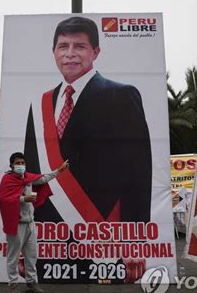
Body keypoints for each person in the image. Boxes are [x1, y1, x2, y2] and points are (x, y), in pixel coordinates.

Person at [25, 16, 152, 224]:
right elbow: (31, 171)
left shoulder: (121, 96)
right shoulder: (41, 104)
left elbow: (138, 172)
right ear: (54, 52)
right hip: (46, 228)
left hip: (100, 229)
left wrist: (134, 237)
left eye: (80, 46)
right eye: (63, 46)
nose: (70, 54)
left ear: (95, 52)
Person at [0, 152, 68, 293]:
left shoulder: (28, 178)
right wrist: (24, 198)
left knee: (31, 256)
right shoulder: (7, 179)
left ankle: (32, 283)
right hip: (16, 224)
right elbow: (5, 200)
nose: (20, 165)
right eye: (17, 162)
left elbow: (43, 178)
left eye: (22, 162)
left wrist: (59, 170)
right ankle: (13, 286)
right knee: (13, 257)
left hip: (30, 223)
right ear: (11, 165)